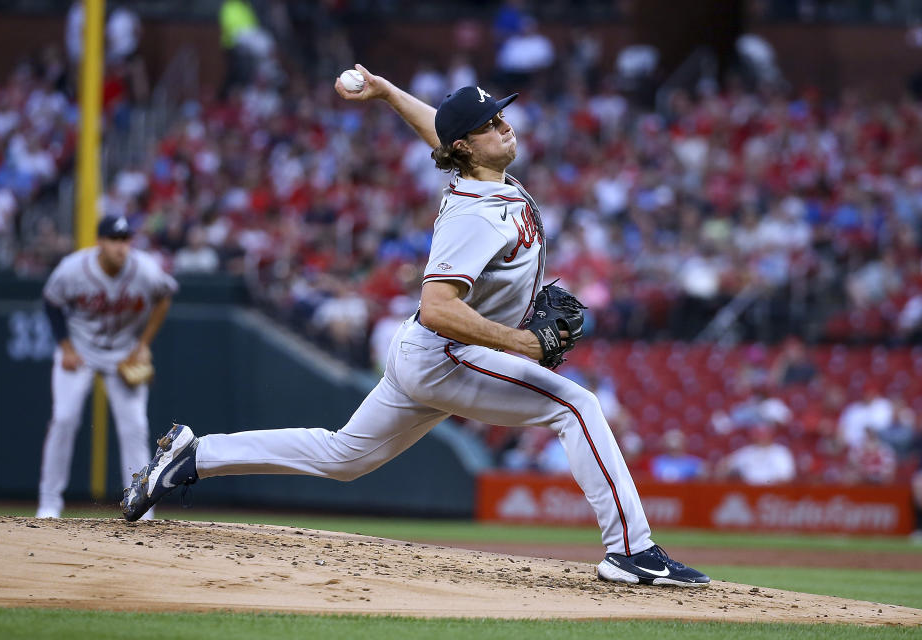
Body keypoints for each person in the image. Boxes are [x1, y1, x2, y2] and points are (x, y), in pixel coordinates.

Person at [121, 65, 709, 587]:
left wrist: (385, 92)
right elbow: (437, 305)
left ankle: (195, 456)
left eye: (501, 116)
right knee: (575, 405)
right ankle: (632, 551)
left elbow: (440, 127)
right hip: (444, 351)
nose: (505, 126)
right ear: (468, 147)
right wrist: (522, 342)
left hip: (423, 354)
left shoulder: (483, 171)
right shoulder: (473, 215)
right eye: (491, 124)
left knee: (343, 456)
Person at [36, 215, 178, 518]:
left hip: (124, 353)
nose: (121, 246)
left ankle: (142, 507)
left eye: (126, 240)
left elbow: (165, 296)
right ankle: (49, 503)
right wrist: (65, 347)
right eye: (114, 239)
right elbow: (51, 302)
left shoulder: (145, 269)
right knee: (63, 419)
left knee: (135, 427)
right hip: (81, 350)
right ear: (100, 241)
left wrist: (143, 346)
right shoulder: (74, 268)